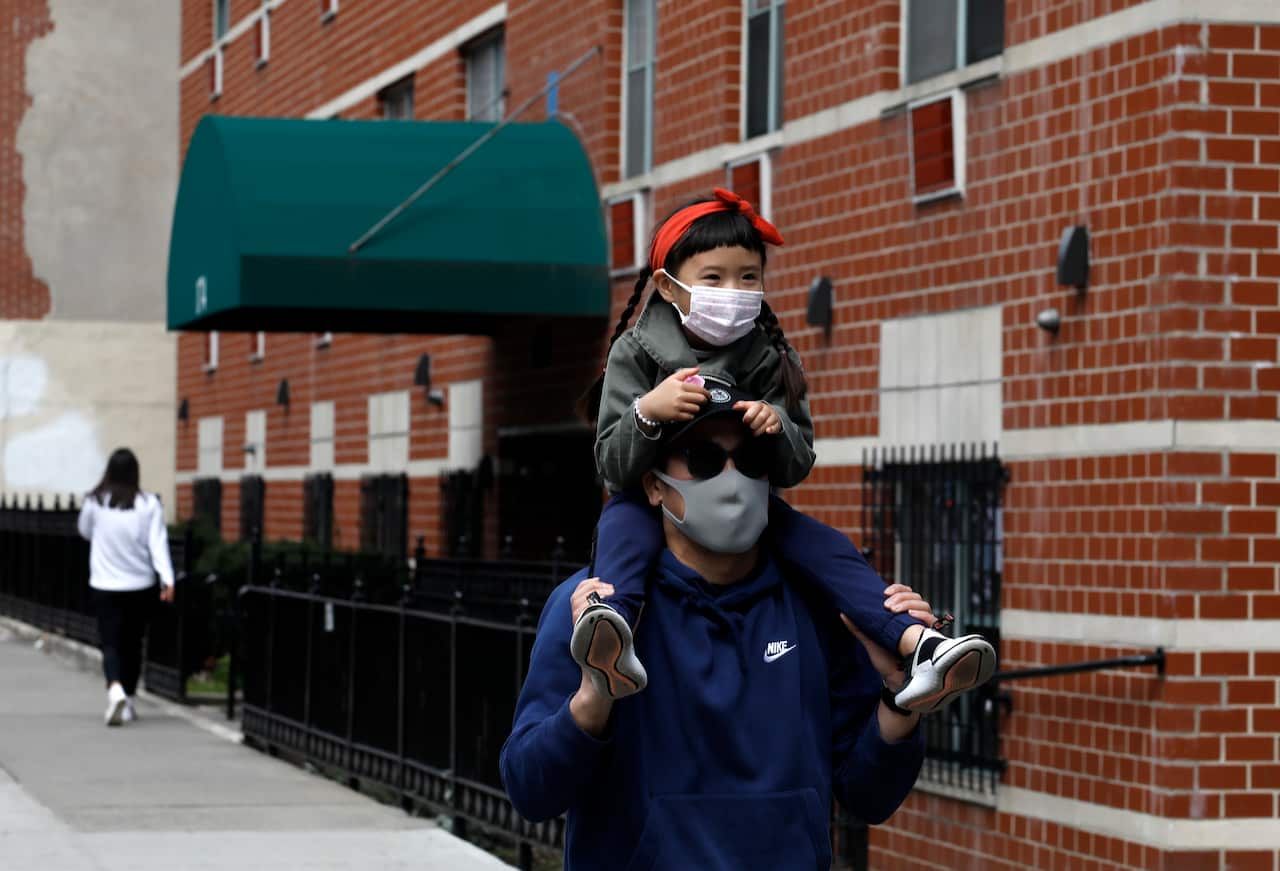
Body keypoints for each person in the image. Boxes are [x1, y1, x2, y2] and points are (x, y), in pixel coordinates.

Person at [574, 187, 995, 711]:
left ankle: (919, 645)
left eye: (749, 277)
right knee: (621, 537)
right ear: (668, 286)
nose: (735, 290)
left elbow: (797, 465)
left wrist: (774, 427)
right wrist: (648, 412)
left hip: (749, 502)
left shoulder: (770, 356)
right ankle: (608, 637)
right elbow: (611, 466)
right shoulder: (633, 354)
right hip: (653, 499)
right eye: (714, 277)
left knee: (828, 549)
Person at [502, 388, 928, 869]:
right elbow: (530, 790)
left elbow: (868, 796)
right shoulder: (595, 612)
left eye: (749, 459)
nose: (733, 478)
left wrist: (898, 696)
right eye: (703, 458)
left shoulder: (820, 609)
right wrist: (592, 700)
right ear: (654, 485)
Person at [76, 448, 175, 726]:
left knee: (110, 641)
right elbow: (158, 543)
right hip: (140, 584)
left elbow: (84, 530)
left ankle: (115, 687)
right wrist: (167, 579)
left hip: (105, 584)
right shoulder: (149, 504)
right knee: (133, 643)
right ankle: (128, 700)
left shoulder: (95, 502)